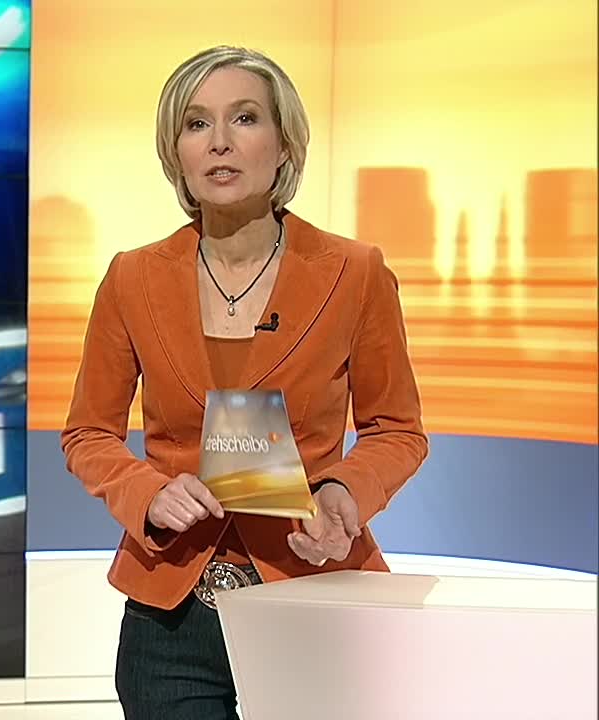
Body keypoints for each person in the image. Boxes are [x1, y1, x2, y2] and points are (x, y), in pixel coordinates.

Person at [60, 45, 429, 720]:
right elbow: (88, 433)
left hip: (310, 593)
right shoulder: (131, 277)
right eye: (197, 123)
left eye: (246, 118)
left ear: (284, 145)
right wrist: (148, 494)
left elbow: (396, 430)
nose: (220, 142)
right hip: (171, 613)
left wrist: (342, 494)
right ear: (176, 152)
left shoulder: (355, 273)